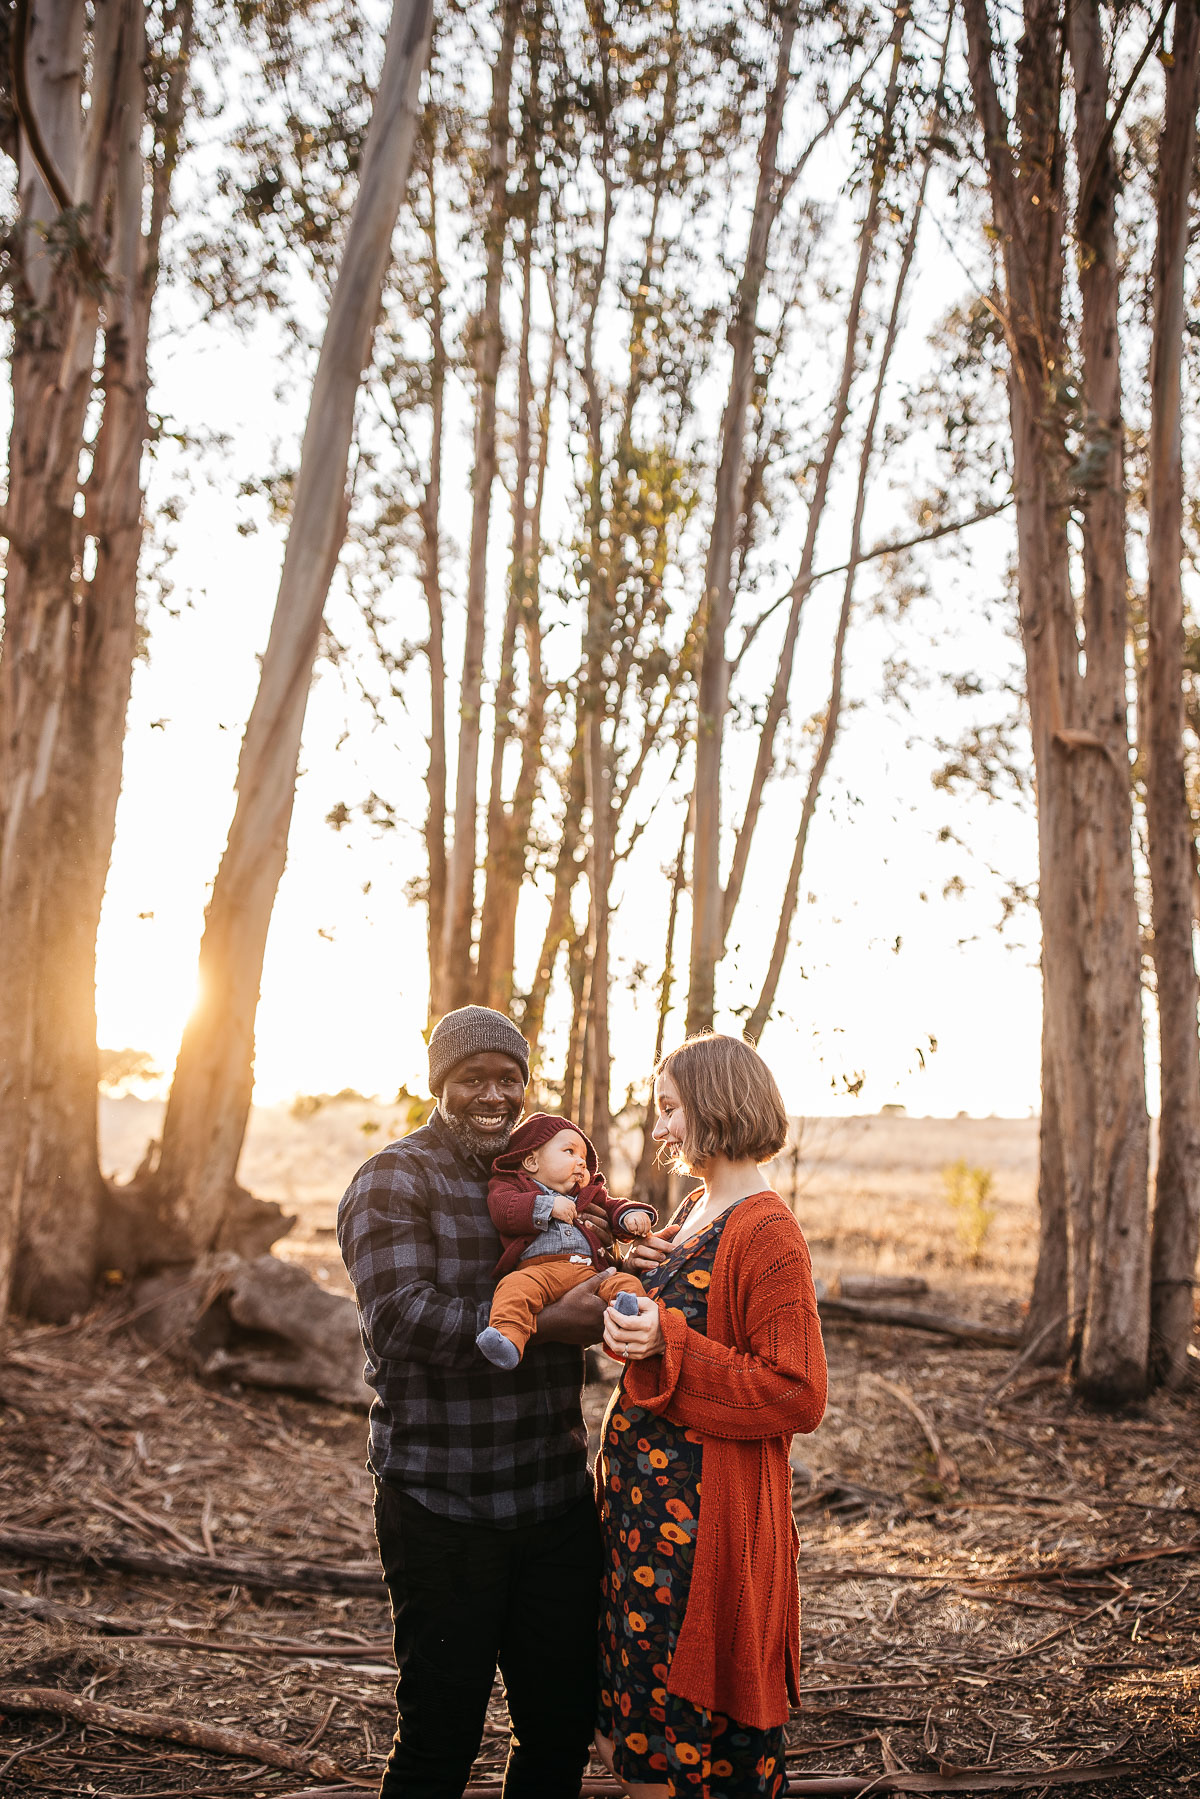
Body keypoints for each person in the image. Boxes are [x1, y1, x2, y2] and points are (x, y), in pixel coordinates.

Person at [337, 1005, 611, 1799]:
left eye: (509, 1079)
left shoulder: (546, 1180)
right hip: (441, 1500)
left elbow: (603, 1264)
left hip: (554, 1500)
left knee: (559, 1731)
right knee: (439, 1740)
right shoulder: (395, 1176)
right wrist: (546, 1324)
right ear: (439, 1085)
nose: (493, 1094)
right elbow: (396, 1317)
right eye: (472, 1078)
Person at [594, 1033, 828, 1799]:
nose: (659, 1129)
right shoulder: (696, 1208)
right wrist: (630, 1315)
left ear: (716, 1103)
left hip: (703, 1533)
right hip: (646, 1524)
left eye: (669, 1109)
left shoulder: (767, 1232)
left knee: (691, 1742)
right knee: (645, 1739)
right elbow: (676, 1338)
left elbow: (798, 1391)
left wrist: (671, 1337)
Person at [477, 1111, 653, 1368]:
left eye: (583, 1157)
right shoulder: (511, 1186)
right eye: (570, 1152)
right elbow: (503, 1209)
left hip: (588, 1272)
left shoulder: (588, 1194)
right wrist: (545, 1206)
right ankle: (508, 1339)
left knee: (623, 1281)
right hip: (538, 1272)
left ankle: (628, 1315)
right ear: (531, 1161)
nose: (581, 1162)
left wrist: (630, 1216)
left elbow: (613, 1207)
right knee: (513, 1289)